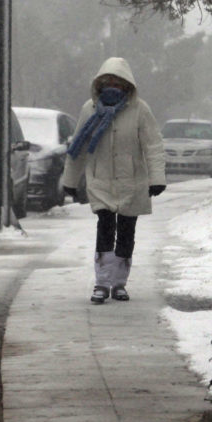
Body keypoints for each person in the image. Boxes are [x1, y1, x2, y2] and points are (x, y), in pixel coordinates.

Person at [62, 57, 166, 304]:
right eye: (107, 80)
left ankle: (119, 283)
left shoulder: (140, 110)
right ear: (99, 82)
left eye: (117, 81)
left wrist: (157, 178)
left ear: (127, 84)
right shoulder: (90, 109)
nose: (112, 85)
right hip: (100, 180)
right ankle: (102, 282)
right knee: (105, 227)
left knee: (127, 232)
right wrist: (70, 180)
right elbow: (79, 145)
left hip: (132, 181)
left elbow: (153, 145)